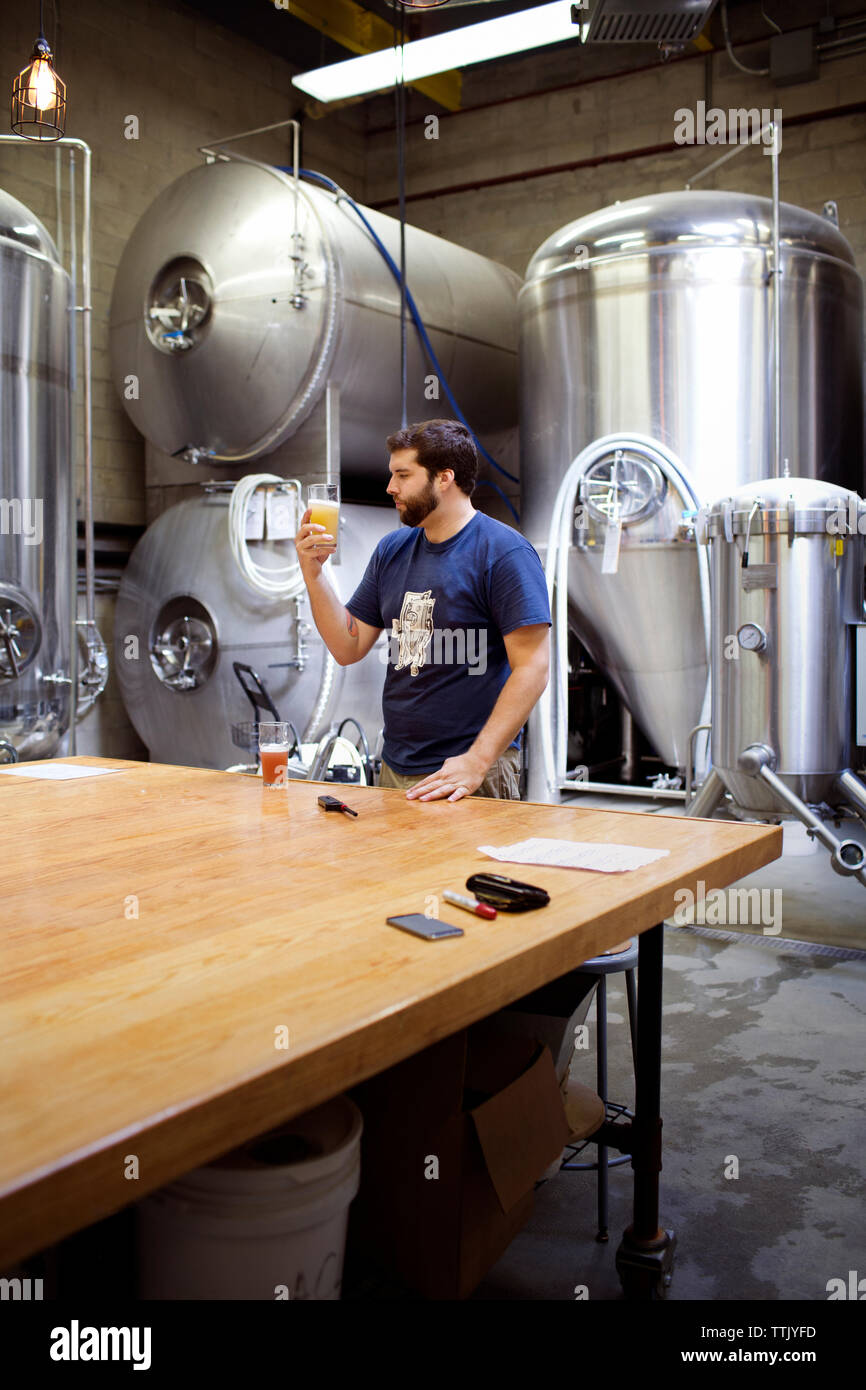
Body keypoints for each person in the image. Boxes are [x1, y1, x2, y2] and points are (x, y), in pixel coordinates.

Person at [294, 419, 551, 801]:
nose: (390, 487)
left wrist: (477, 762)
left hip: (467, 775)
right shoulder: (392, 550)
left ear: (444, 478)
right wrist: (313, 573)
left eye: (403, 475)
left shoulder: (504, 553)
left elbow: (533, 667)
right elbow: (347, 646)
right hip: (396, 769)